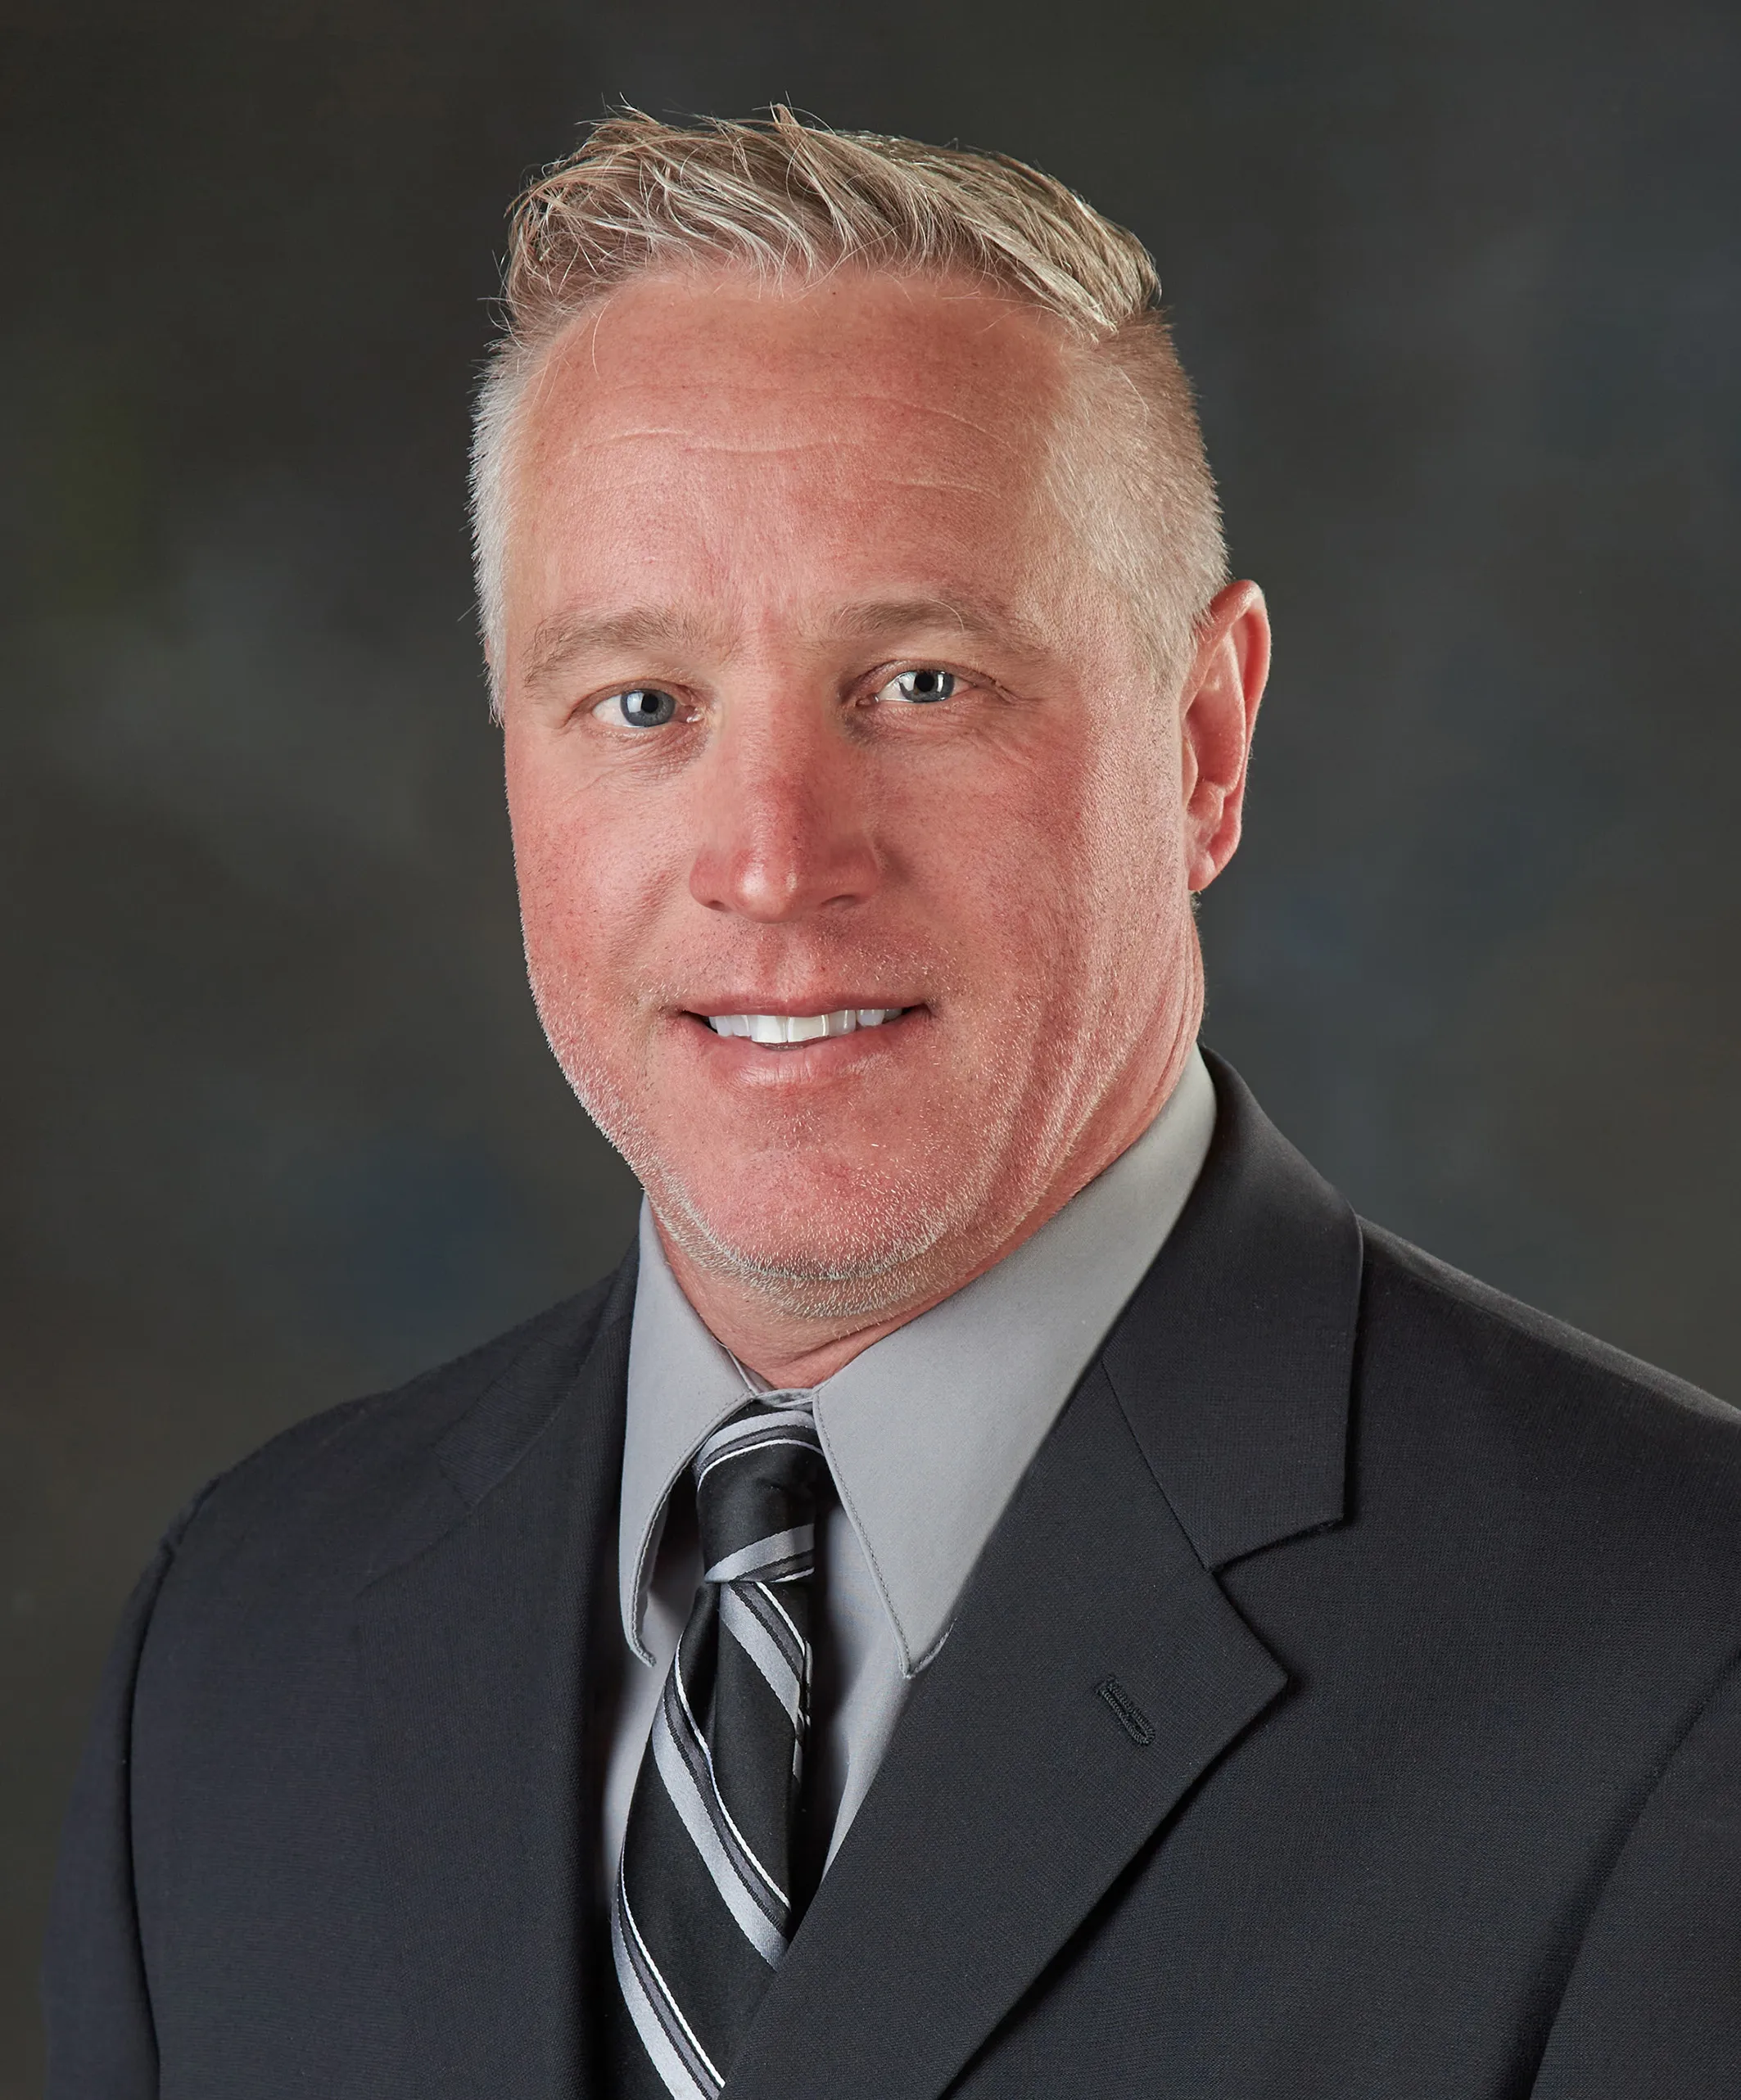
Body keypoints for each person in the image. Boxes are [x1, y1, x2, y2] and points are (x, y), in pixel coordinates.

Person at [44, 108, 1741, 2100]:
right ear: (509, 750)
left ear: (1202, 744)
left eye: (921, 683)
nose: (773, 860)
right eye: (643, 704)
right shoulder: (238, 1641)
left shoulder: (1677, 1666)